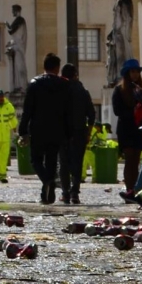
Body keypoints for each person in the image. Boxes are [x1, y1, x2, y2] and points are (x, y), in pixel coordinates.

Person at [19, 52, 74, 204]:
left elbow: (27, 109)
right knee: (51, 161)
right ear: (57, 68)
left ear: (44, 66)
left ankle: (47, 182)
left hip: (38, 128)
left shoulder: (35, 83)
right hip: (57, 129)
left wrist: (23, 130)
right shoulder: (64, 85)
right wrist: (69, 131)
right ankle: (47, 194)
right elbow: (69, 111)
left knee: (36, 160)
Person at [113, 58, 142, 200]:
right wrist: (133, 112)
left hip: (138, 129)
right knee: (129, 159)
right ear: (127, 73)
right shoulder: (119, 90)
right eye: (132, 71)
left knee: (136, 161)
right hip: (126, 129)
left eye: (137, 72)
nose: (135, 74)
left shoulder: (141, 90)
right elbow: (117, 111)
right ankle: (129, 188)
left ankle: (135, 190)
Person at [61, 64, 95, 204]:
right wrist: (88, 132)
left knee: (64, 163)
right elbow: (91, 114)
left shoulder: (59, 91)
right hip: (79, 132)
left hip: (63, 132)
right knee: (77, 162)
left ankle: (65, 193)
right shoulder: (83, 91)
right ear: (76, 75)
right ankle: (75, 192)